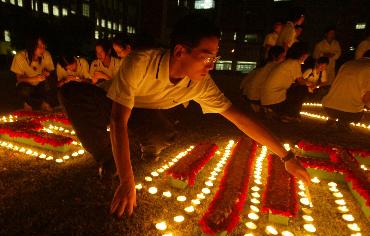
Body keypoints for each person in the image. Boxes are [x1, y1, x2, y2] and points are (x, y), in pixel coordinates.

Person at [60, 15, 310, 217]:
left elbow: (238, 117)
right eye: (206, 57)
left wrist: (286, 156)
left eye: (215, 57)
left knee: (161, 135)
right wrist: (127, 181)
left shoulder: (201, 83)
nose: (211, 65)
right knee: (72, 93)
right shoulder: (140, 63)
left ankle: (149, 144)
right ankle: (107, 160)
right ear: (180, 51)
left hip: (144, 111)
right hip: (110, 101)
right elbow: (117, 119)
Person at [261, 42, 315, 122]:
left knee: (296, 89)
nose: (306, 58)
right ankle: (290, 115)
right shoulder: (294, 63)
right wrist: (311, 84)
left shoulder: (288, 62)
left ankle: (273, 110)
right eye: (306, 55)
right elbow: (300, 81)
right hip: (274, 99)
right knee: (302, 89)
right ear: (303, 54)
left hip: (267, 98)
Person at [322, 50, 370, 131]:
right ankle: (344, 121)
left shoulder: (347, 64)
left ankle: (333, 118)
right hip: (351, 113)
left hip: (328, 108)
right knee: (360, 114)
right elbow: (367, 98)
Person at [10, 36, 55, 111]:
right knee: (23, 89)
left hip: (40, 86)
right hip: (27, 86)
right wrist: (35, 78)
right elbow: (19, 79)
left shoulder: (46, 55)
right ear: (31, 46)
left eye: (44, 47)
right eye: (39, 46)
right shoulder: (20, 56)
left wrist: (48, 73)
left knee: (50, 82)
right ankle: (26, 104)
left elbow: (50, 71)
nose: (42, 50)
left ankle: (45, 103)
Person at [241, 46, 286, 113]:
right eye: (282, 56)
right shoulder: (274, 66)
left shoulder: (265, 64)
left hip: (246, 93)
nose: (284, 58)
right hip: (256, 96)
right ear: (274, 56)